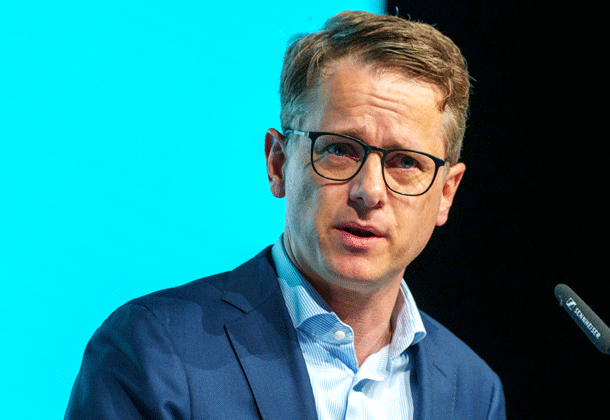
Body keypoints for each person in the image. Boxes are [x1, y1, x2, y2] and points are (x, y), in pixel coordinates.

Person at [65, 10, 505, 419]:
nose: (369, 191)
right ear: (278, 163)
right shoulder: (152, 351)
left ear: (446, 193)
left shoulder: (474, 393)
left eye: (406, 162)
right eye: (339, 149)